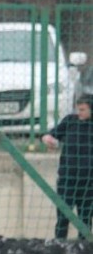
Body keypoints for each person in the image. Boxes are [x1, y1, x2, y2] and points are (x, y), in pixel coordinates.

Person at [41, 95, 93, 239]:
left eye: (83, 110)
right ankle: (59, 247)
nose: (79, 113)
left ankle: (84, 251)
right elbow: (50, 135)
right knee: (63, 218)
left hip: (89, 181)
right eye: (78, 109)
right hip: (67, 179)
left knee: (85, 219)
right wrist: (48, 139)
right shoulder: (70, 121)